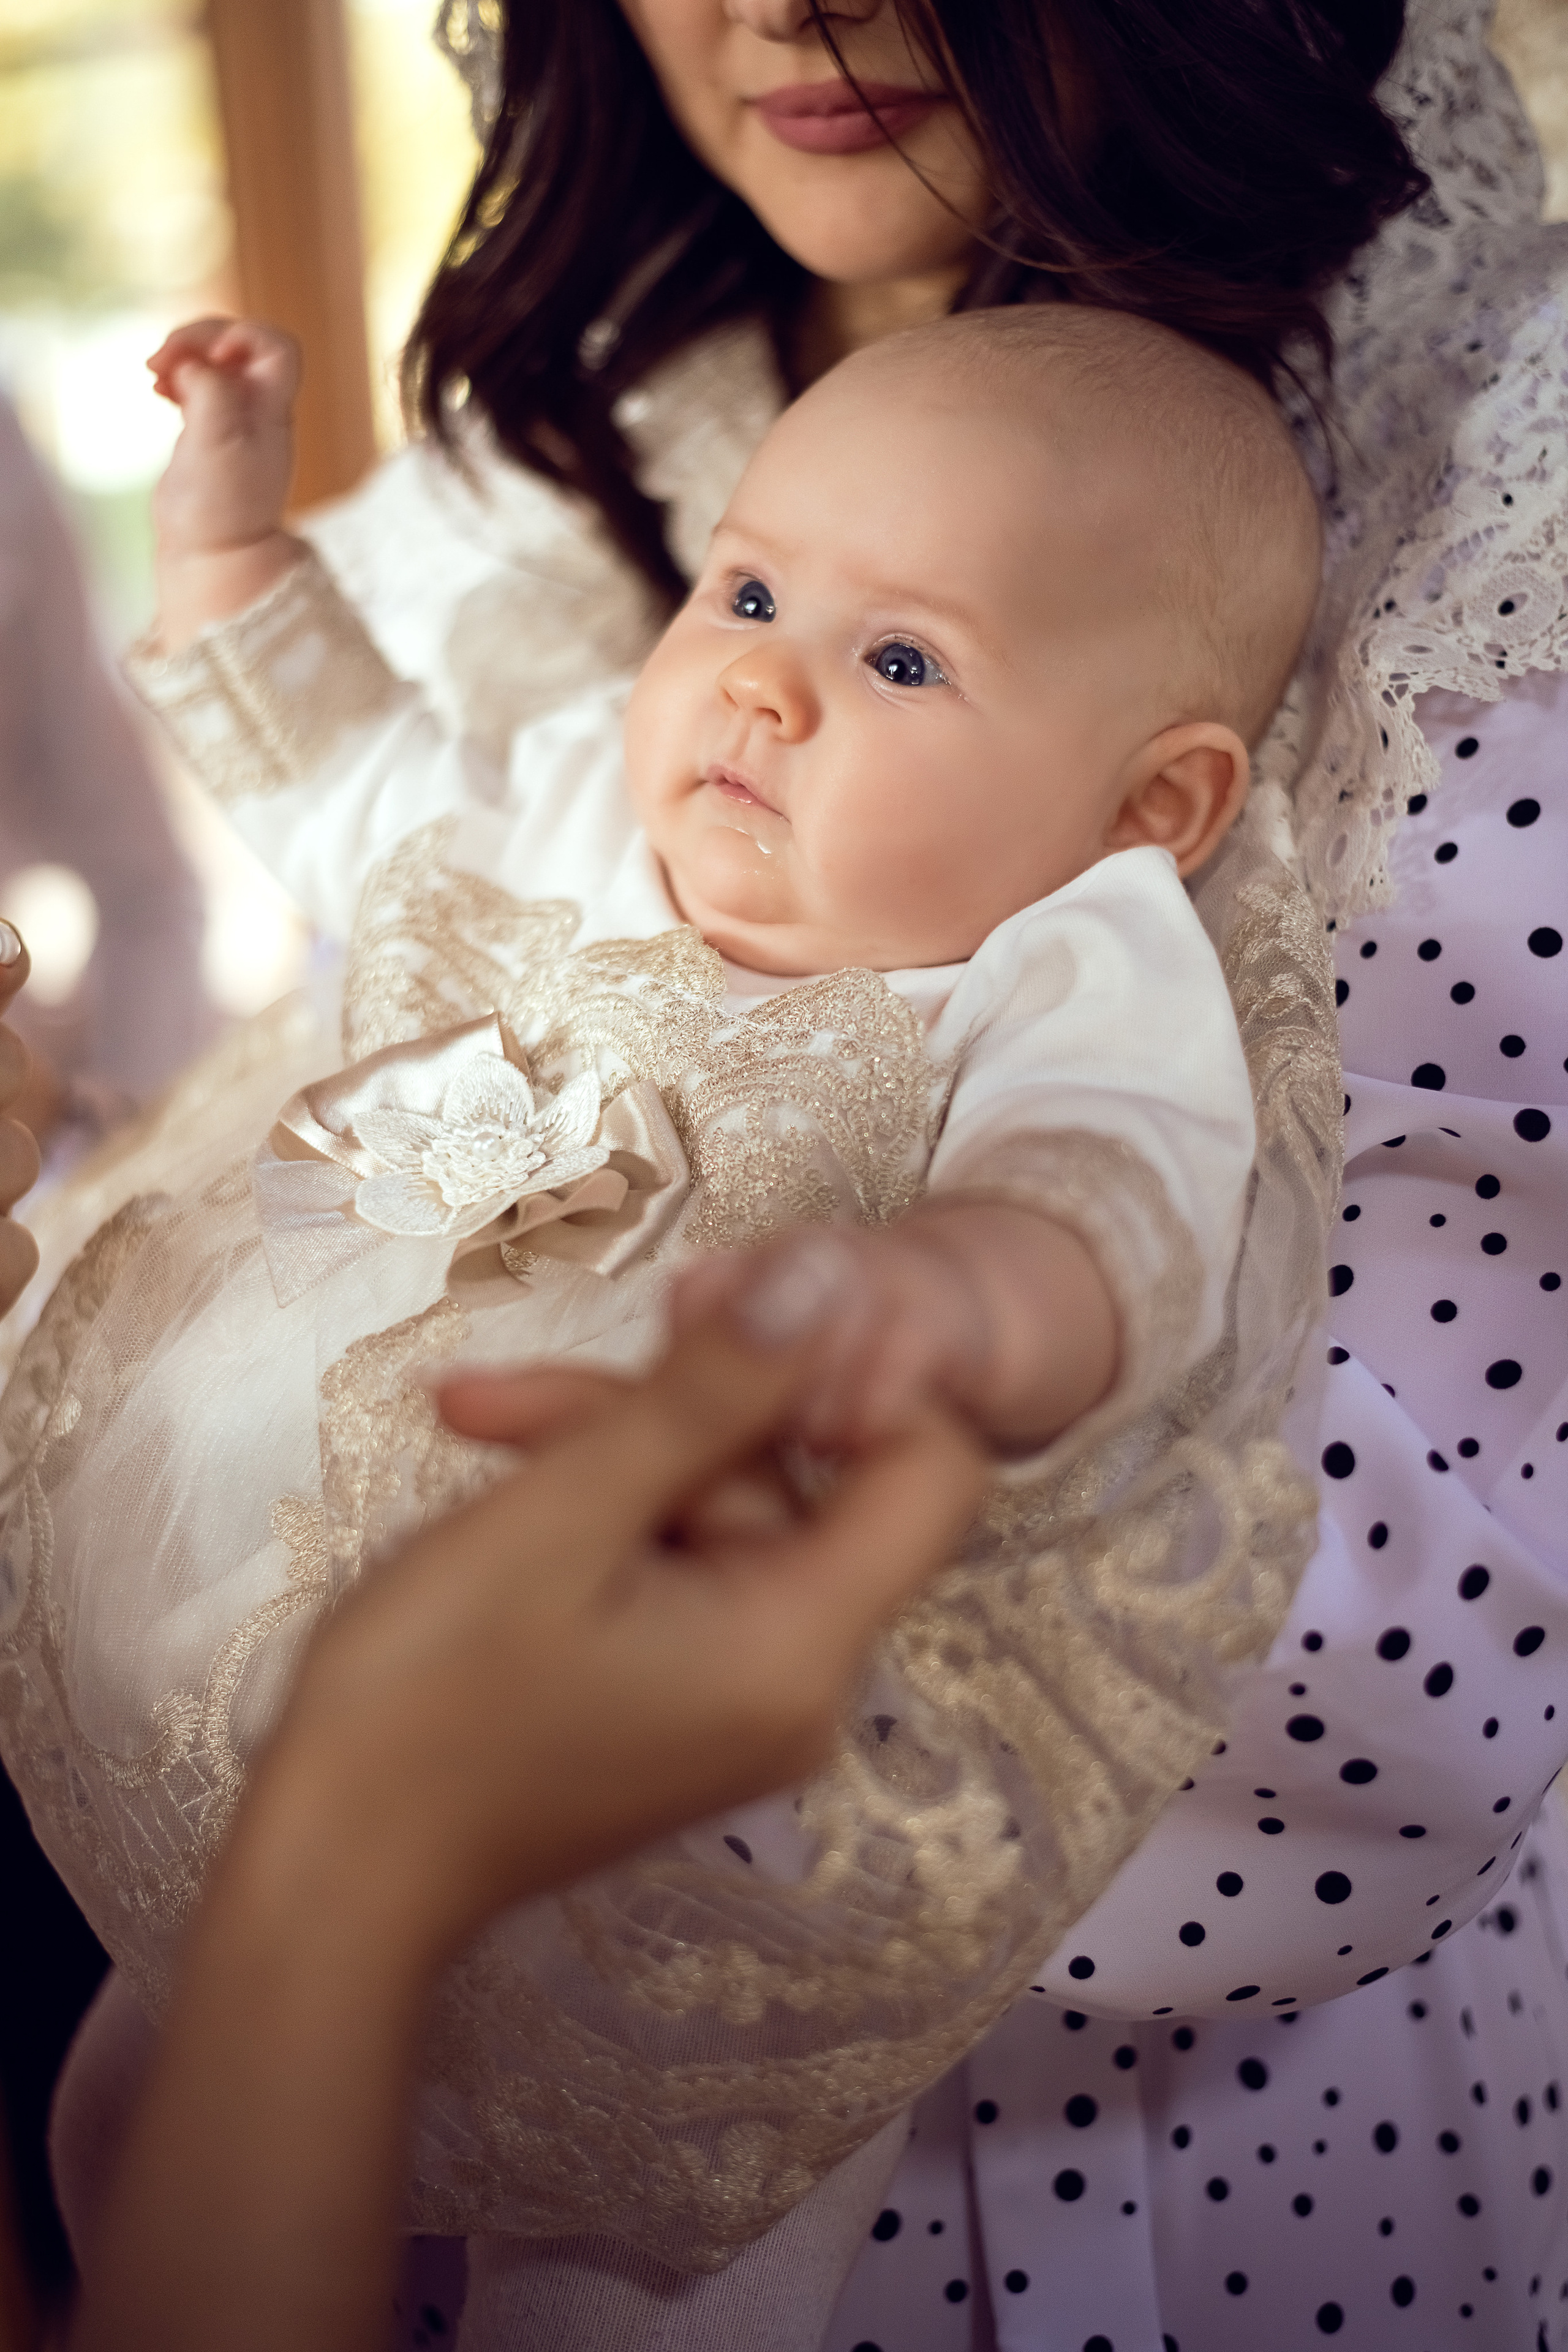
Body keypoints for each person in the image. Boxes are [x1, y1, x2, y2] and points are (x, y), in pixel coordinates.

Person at [21, 0, 1568, 2343]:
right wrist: (224, 533)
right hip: (284, 1766)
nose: (752, 686)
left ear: (1155, 811)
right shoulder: (611, 750)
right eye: (743, 606)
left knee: (657, 2271)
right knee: (141, 2125)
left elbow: (1116, 1196)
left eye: (897, 662)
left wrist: (960, 1303)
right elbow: (356, 786)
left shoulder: (1077, 958)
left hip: (851, 1993)